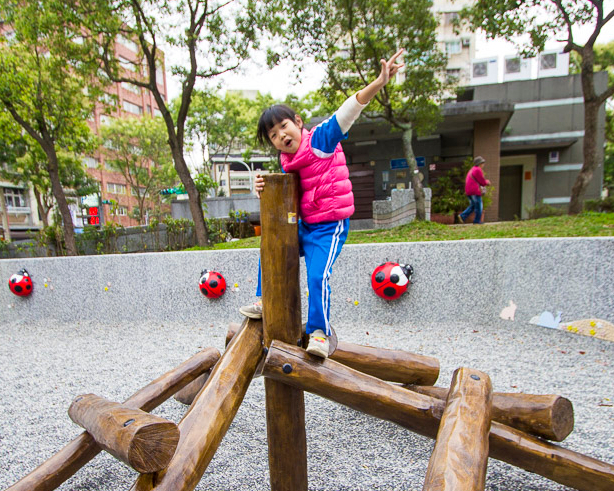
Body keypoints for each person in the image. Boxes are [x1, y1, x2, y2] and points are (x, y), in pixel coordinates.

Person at [240, 49, 405, 358]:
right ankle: (264, 301)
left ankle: (319, 333)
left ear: (298, 122)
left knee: (317, 276)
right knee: (270, 246)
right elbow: (286, 192)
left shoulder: (320, 140)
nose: (281, 136)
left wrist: (378, 83)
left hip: (329, 228)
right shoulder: (287, 162)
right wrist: (261, 186)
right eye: (274, 135)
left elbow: (348, 110)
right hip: (305, 225)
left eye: (284, 127)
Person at [459, 156, 490, 224]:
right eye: (483, 163)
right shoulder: (478, 170)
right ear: (480, 163)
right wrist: (487, 182)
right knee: (479, 206)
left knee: (473, 205)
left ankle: (462, 216)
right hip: (474, 190)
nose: (483, 165)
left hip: (469, 190)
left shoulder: (472, 169)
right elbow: (482, 182)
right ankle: (477, 221)